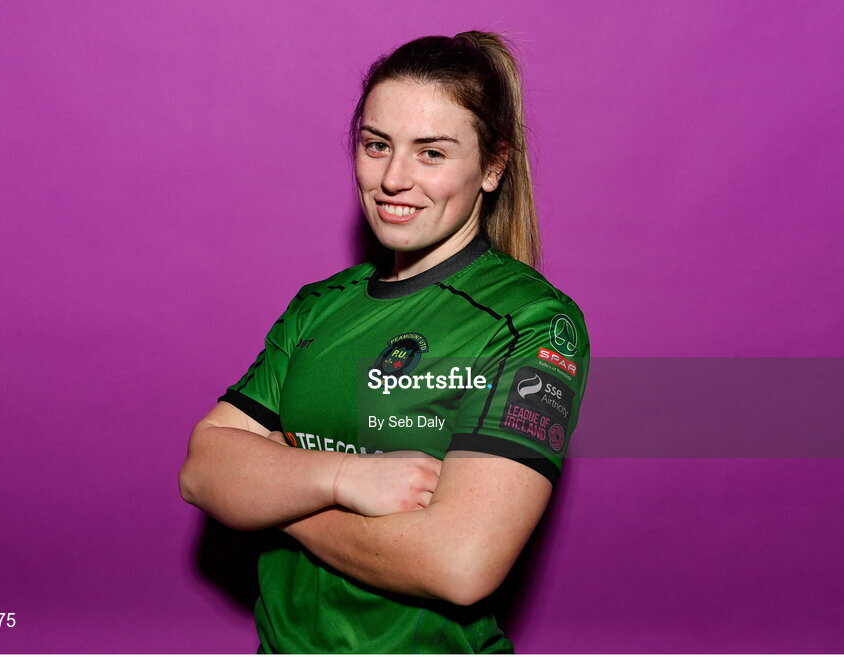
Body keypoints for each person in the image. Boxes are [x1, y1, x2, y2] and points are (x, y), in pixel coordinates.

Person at [179, 30, 590, 653]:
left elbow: (459, 564)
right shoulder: (319, 305)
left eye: (431, 153)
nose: (393, 178)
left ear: (493, 166)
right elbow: (204, 472)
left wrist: (274, 494)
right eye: (377, 145)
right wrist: (345, 478)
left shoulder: (532, 321)